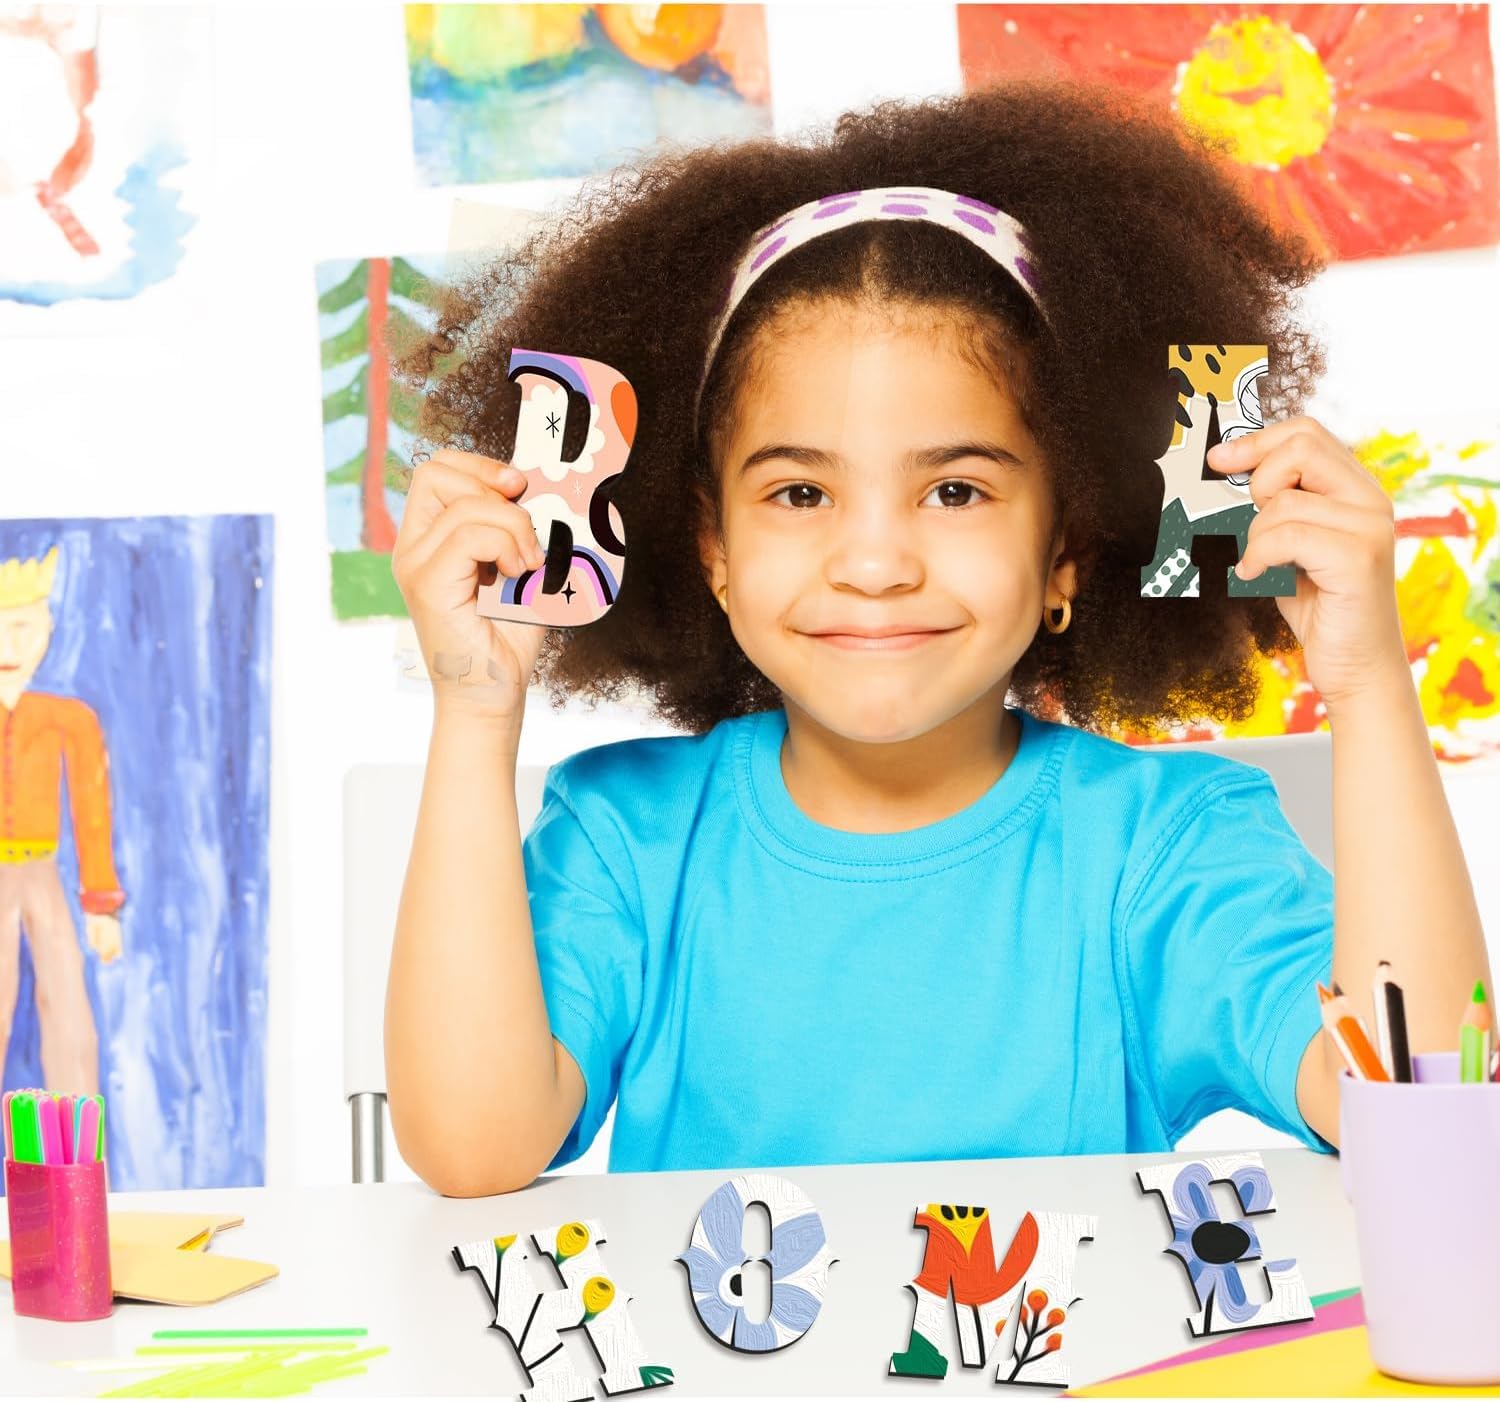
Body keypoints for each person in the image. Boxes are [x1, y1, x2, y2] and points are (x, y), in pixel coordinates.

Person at [384, 79, 1491, 1196]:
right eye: (801, 494)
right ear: (714, 548)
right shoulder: (629, 837)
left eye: (955, 491)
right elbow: (474, 1150)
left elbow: (1423, 1105)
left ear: (1065, 550)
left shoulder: (1161, 848)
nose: (876, 564)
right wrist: (475, 710)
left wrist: (1365, 683)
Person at [0, 546, 124, 1095]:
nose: (9, 648)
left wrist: (100, 906)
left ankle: (74, 1141)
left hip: (42, 871)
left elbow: (91, 811)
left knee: (68, 1005)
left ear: (46, 629)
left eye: (22, 628)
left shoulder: (68, 719)